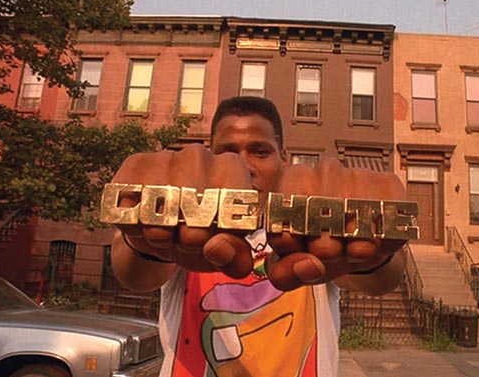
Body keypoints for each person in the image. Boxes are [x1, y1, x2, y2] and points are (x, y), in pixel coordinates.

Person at [110, 96, 411, 376]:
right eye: (227, 154)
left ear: (283, 160)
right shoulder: (185, 223)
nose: (243, 166)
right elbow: (132, 272)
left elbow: (382, 279)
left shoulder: (309, 231)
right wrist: (144, 240)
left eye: (260, 151)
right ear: (208, 162)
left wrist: (374, 254)